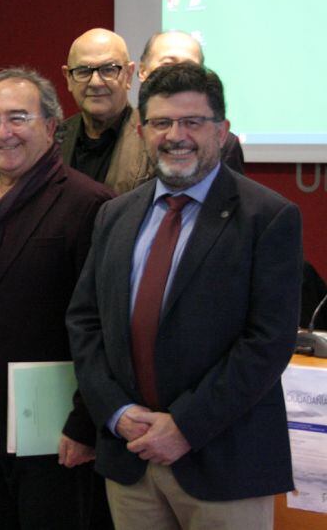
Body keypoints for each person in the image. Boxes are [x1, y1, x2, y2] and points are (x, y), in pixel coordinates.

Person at [66, 63, 303, 528]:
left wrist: (185, 427)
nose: (177, 136)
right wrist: (115, 411)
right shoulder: (114, 215)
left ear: (222, 131)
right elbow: (85, 322)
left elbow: (268, 342)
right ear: (141, 130)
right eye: (161, 123)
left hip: (223, 461)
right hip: (130, 460)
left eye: (193, 122)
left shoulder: (268, 217)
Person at [0, 68, 112, 528]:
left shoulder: (88, 204)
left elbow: (103, 329)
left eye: (18, 118)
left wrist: (85, 423)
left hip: (49, 435)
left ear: (52, 127)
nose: (2, 132)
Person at [137, 30, 244, 172]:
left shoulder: (222, 142)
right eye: (168, 64)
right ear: (142, 71)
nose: (177, 73)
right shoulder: (121, 129)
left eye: (192, 122)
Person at [59, 28, 149, 195]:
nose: (95, 82)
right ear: (68, 78)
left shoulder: (152, 139)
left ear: (128, 75)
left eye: (108, 70)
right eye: (83, 71)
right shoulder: (51, 141)